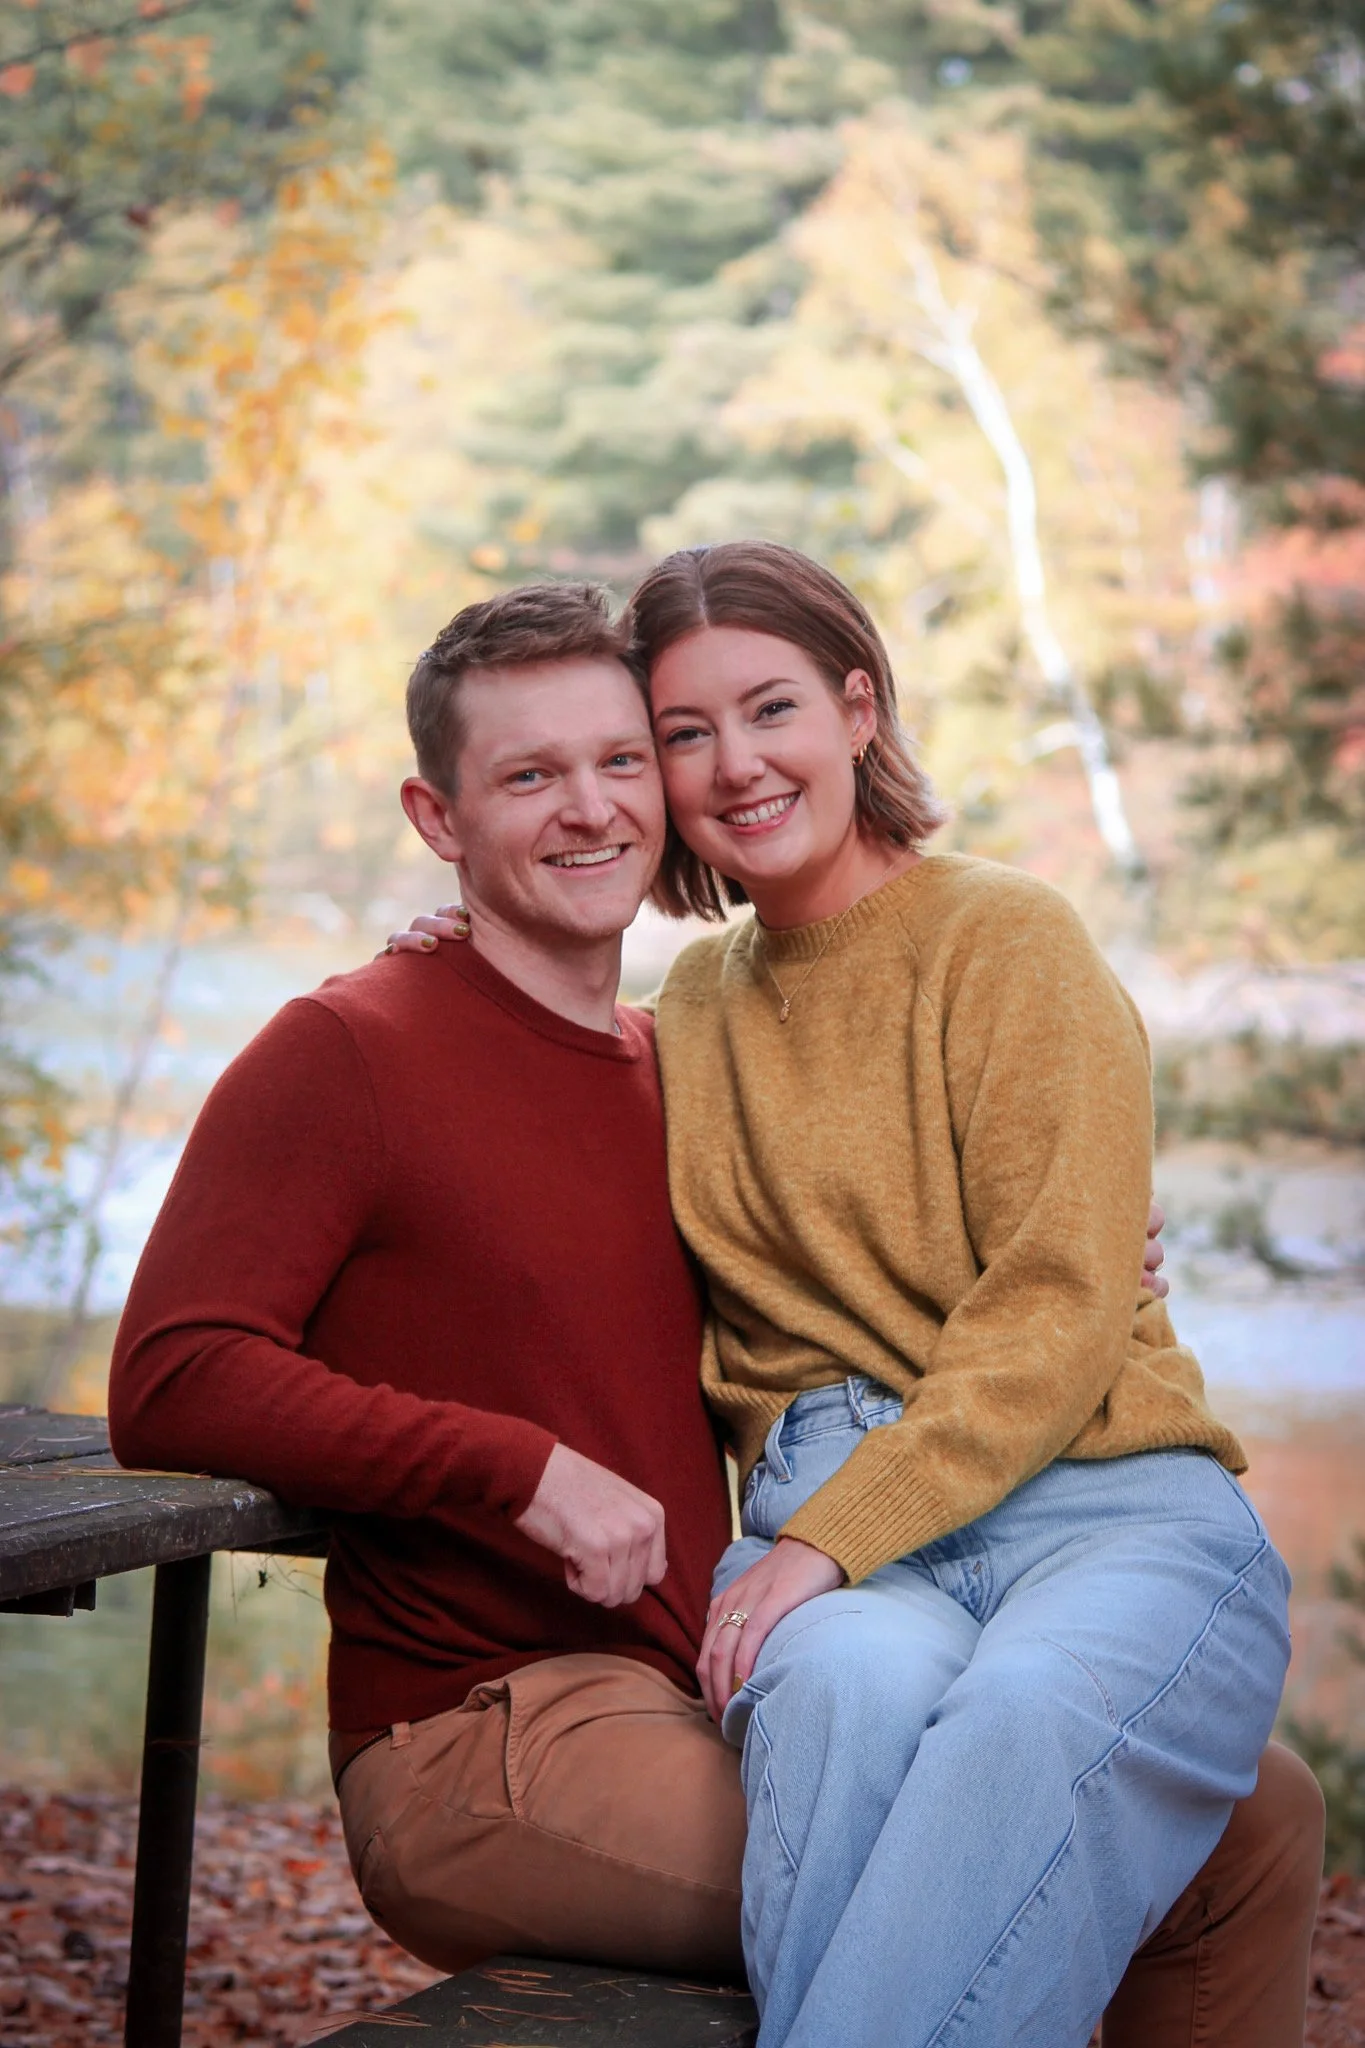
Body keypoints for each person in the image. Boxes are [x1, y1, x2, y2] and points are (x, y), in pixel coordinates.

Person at [109, 582, 1322, 2048]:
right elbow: (175, 1378)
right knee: (1002, 1846)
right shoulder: (351, 1046)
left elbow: (864, 1229)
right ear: (440, 819)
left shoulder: (674, 1048)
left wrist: (1077, 1236)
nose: (593, 808)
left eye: (624, 759)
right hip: (491, 1722)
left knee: (1255, 1812)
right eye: (529, 777)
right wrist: (519, 1471)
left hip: (712, 1669)